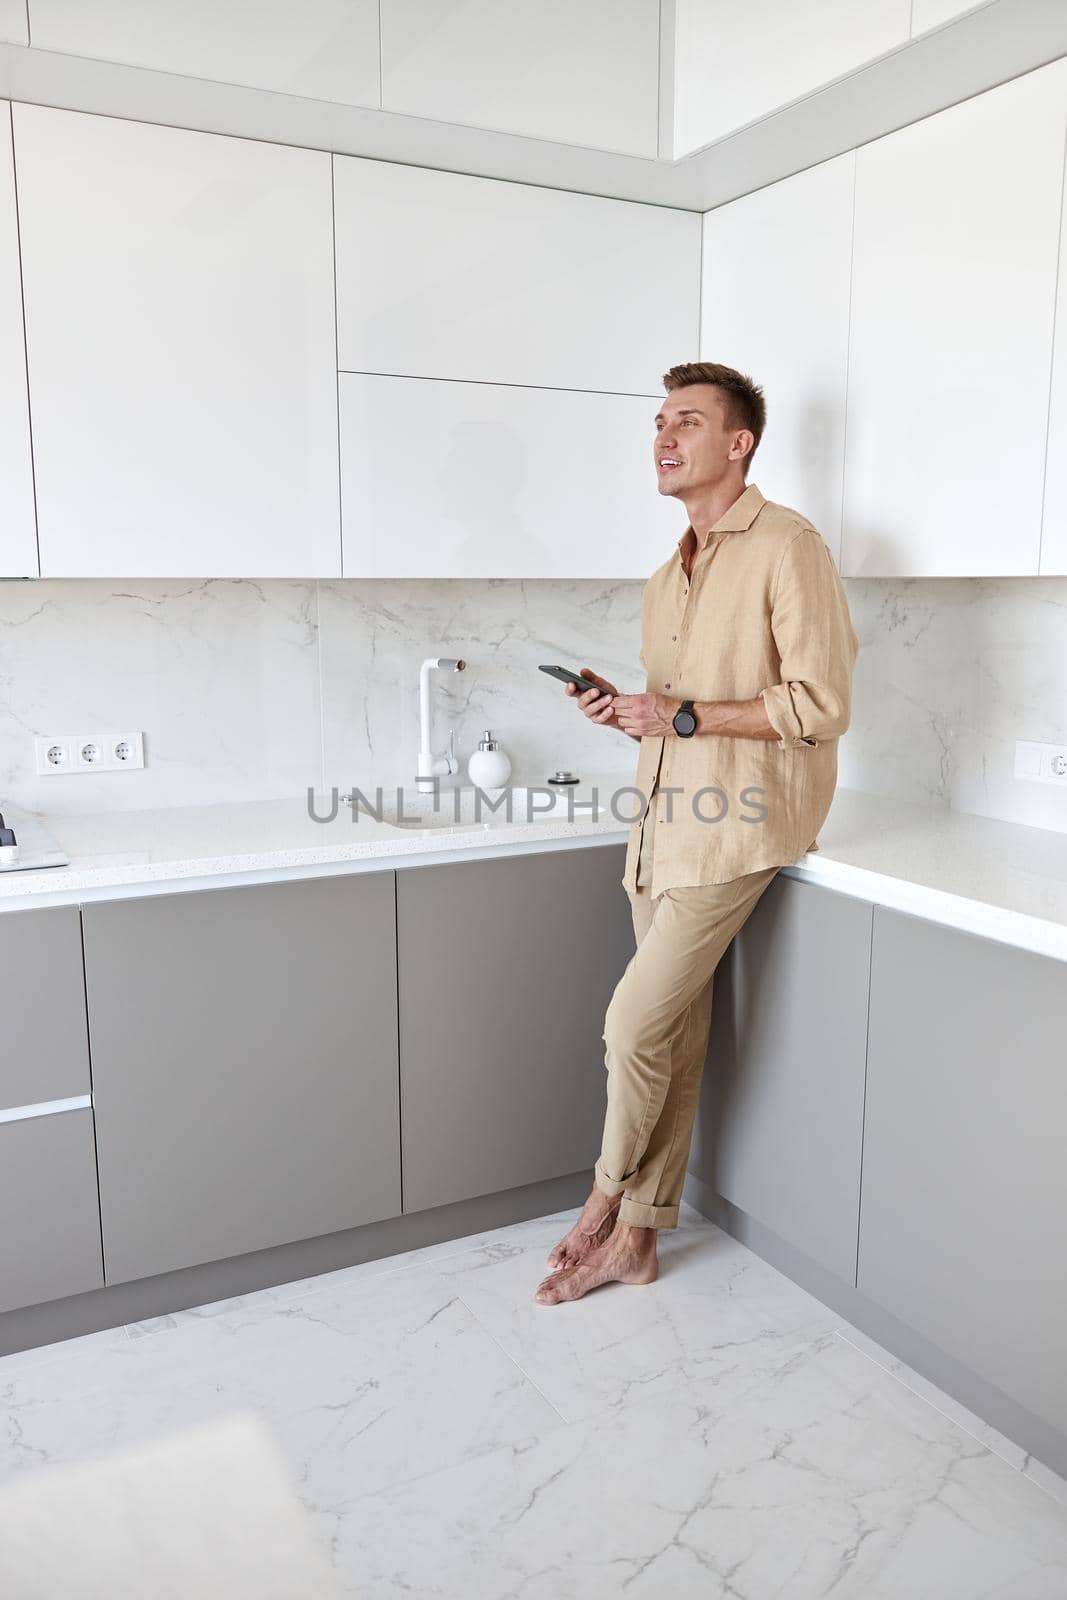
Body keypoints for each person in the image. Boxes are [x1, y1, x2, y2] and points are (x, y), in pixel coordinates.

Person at [534, 360, 860, 1307]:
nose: (663, 440)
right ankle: (639, 1244)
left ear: (737, 442)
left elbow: (819, 703)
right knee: (669, 1033)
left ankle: (605, 1198)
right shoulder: (662, 577)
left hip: (743, 825)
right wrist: (629, 714)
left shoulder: (787, 547)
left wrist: (677, 714)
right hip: (663, 825)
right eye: (657, 425)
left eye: (686, 422)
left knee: (631, 1025)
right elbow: (675, 713)